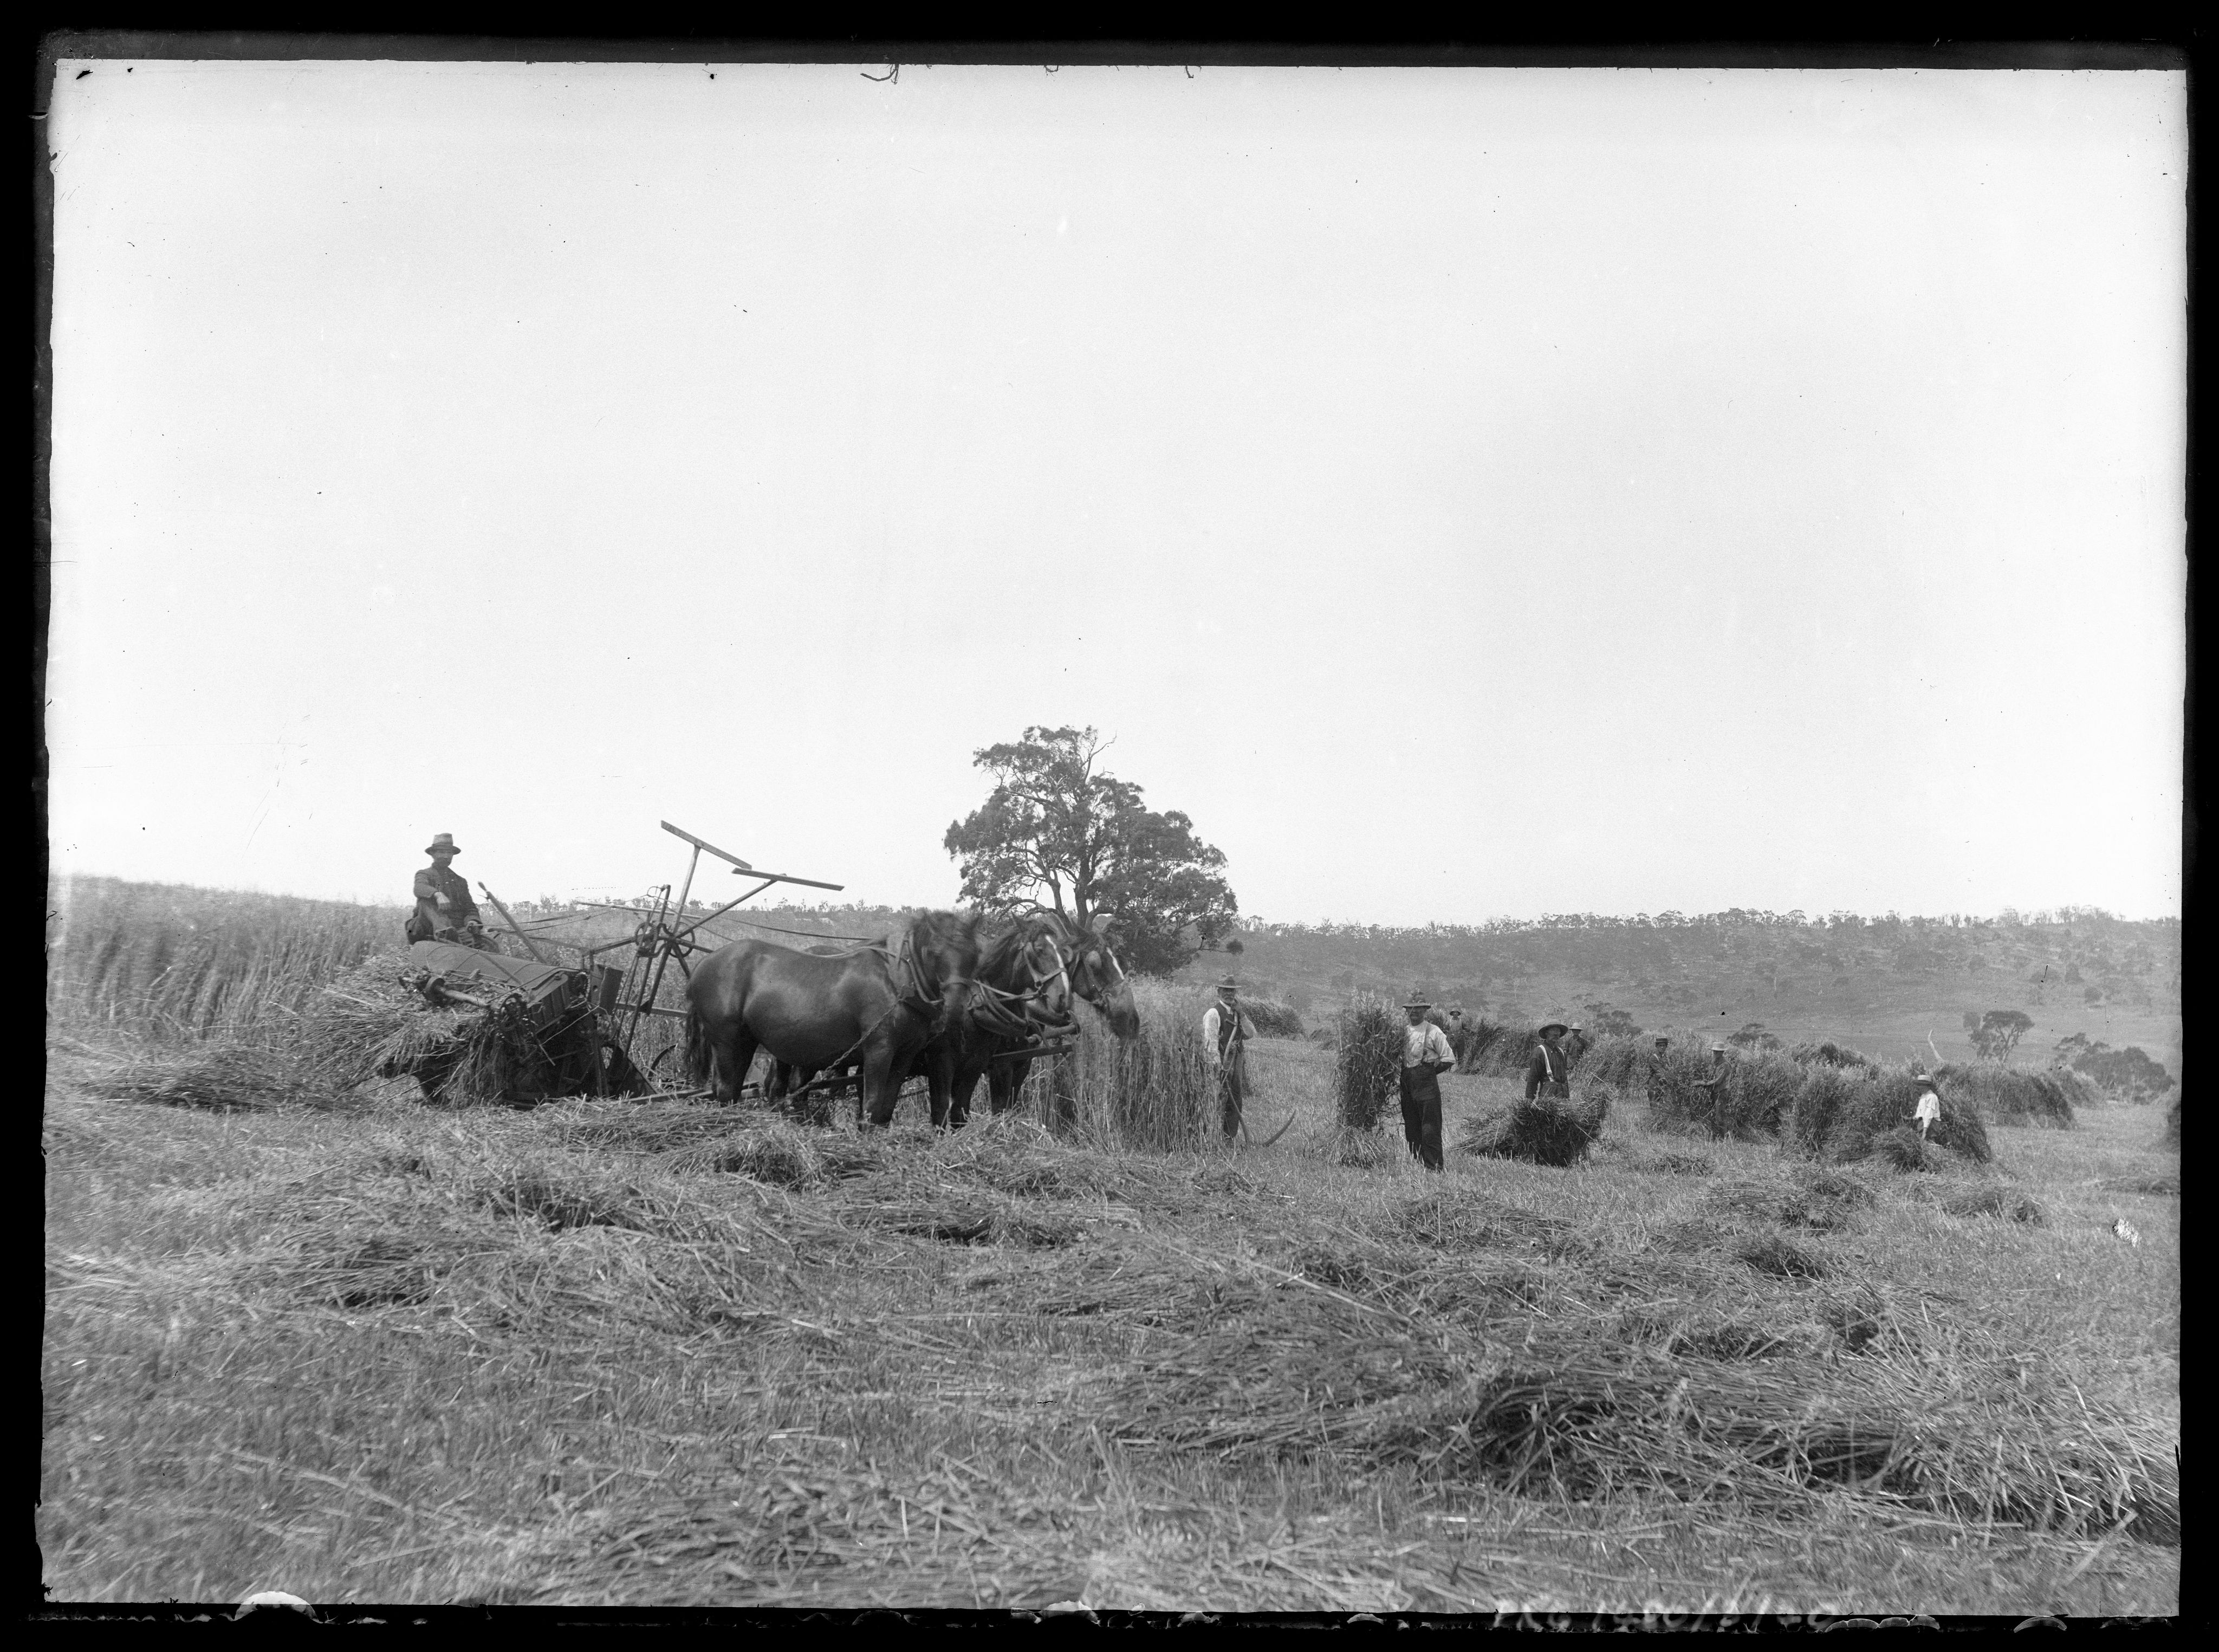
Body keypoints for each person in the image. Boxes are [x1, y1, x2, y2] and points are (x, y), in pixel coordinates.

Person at [1399, 996, 1456, 1170]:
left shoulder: (1434, 1032)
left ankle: (1434, 1167)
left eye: (1418, 1009)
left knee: (1430, 1129)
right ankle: (1420, 1164)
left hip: (1427, 1087)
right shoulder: (1402, 1032)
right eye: (1410, 1009)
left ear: (1425, 1011)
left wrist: (1429, 1073)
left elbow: (1449, 1059)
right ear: (1407, 1011)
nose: (1414, 1012)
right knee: (1411, 1127)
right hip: (1407, 1085)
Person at [408, 832, 489, 948]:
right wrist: (437, 894)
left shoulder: (460, 881)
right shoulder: (424, 874)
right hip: (427, 928)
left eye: (449, 852)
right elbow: (419, 888)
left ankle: (451, 936)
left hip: (458, 929)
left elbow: (469, 907)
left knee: (488, 946)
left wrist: (473, 922)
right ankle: (444, 932)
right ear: (432, 854)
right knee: (424, 901)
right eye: (441, 852)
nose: (446, 856)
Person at [1201, 976, 1255, 1140]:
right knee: (1219, 1100)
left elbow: (1250, 1034)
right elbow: (1210, 1043)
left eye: (1231, 991)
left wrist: (1242, 1014)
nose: (1229, 994)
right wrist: (1218, 1067)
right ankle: (1211, 1137)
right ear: (1219, 992)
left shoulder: (1237, 1014)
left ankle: (1228, 1138)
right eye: (1225, 991)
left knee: (1236, 1100)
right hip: (1221, 1065)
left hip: (1236, 1064)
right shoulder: (1214, 1013)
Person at [1691, 1041, 1730, 1140]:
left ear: (1722, 1053)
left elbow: (1717, 1081)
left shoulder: (1724, 1065)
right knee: (1715, 1115)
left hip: (1721, 1093)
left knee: (1719, 1116)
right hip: (1716, 1093)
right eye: (1714, 1052)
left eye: (1717, 1052)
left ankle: (1722, 1139)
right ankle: (1716, 1137)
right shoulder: (1717, 1063)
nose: (1715, 1054)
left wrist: (1702, 1083)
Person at [1526, 1022, 1573, 1101]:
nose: (1556, 1033)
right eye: (1553, 1030)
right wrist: (1529, 1100)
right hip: (1548, 1098)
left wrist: (1568, 1099)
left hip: (1563, 1096)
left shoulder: (1561, 1052)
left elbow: (1565, 1078)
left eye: (1558, 1031)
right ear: (1546, 1032)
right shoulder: (1540, 1052)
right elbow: (1533, 1078)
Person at [1912, 1072, 1943, 1141]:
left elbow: (1929, 1115)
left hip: (1930, 1125)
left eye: (1922, 1085)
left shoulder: (1931, 1097)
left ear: (1927, 1086)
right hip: (1923, 1124)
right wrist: (1915, 1117)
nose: (1920, 1087)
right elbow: (1921, 1112)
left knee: (1928, 1143)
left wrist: (1924, 1132)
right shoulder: (1923, 1096)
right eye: (1919, 1085)